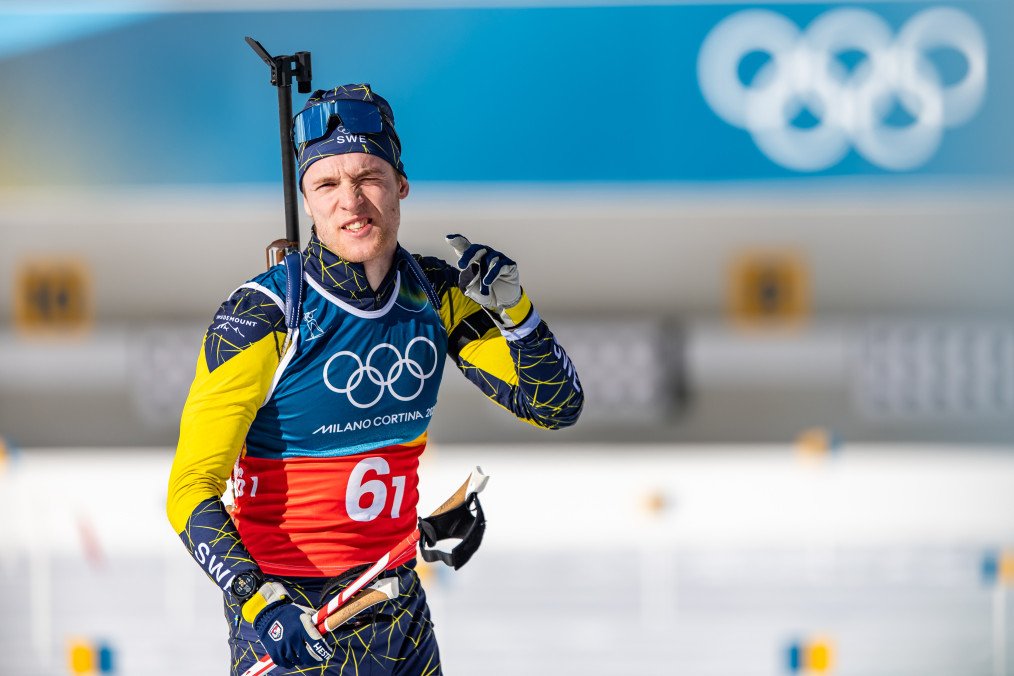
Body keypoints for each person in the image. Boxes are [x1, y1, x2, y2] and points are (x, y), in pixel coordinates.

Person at [166, 83, 583, 676]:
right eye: (327, 185)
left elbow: (556, 406)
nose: (351, 202)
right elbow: (189, 490)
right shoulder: (263, 316)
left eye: (368, 178)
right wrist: (258, 601)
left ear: (401, 185)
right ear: (307, 202)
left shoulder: (435, 294)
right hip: (294, 621)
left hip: (396, 607)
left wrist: (516, 313)